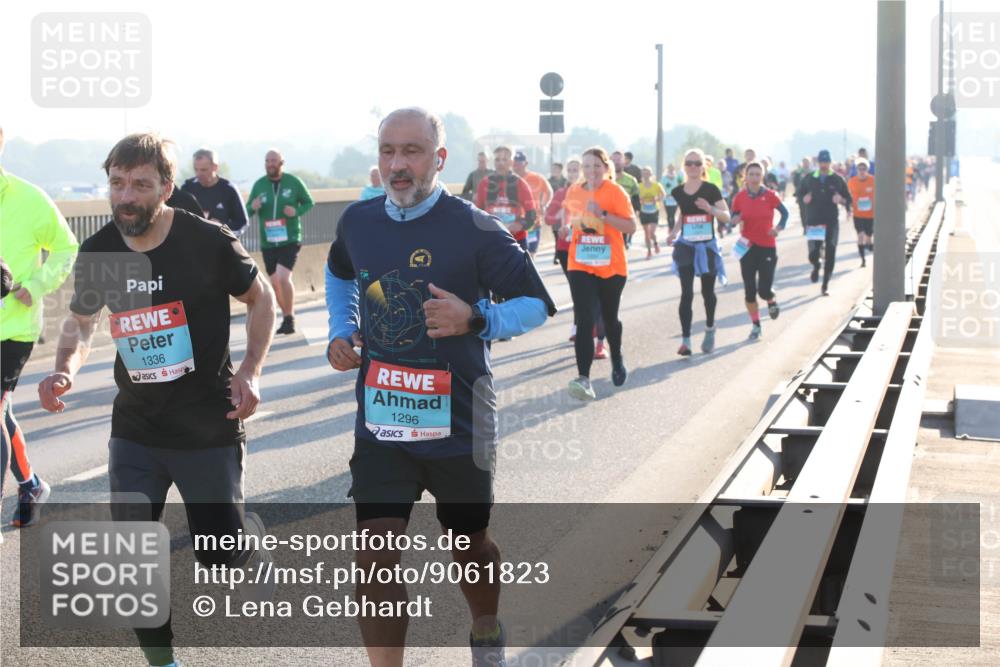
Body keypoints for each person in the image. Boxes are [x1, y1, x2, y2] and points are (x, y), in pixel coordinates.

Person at [325, 107, 556, 667]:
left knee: (469, 546)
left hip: (460, 423)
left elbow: (537, 304)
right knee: (374, 551)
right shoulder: (357, 222)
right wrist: (341, 327)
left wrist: (474, 318)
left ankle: (485, 630)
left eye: (412, 151)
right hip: (383, 421)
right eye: (388, 151)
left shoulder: (474, 227)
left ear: (439, 158)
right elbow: (338, 272)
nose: (397, 165)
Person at [38, 132, 277, 667]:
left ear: (166, 188)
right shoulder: (100, 249)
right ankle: (162, 661)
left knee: (221, 554)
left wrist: (251, 370)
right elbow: (82, 322)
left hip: (206, 424)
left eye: (140, 185)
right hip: (137, 428)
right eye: (117, 184)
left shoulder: (207, 242)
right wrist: (62, 370)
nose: (126, 196)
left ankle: (245, 538)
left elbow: (259, 297)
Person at [0, 125, 79, 528]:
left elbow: (67, 246)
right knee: (1, 413)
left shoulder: (29, 199)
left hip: (11, 329)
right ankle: (29, 484)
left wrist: (35, 284)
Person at [563, 147, 636, 401]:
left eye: (596, 165)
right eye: (587, 166)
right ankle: (584, 378)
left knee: (609, 318)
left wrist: (603, 214)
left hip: (611, 265)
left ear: (606, 167)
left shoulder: (615, 192)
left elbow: (630, 226)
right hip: (580, 262)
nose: (591, 171)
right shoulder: (574, 191)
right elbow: (574, 220)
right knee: (584, 319)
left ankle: (616, 357)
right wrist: (567, 229)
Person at [667, 148, 731, 356]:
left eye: (697, 163)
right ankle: (686, 340)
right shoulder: (677, 191)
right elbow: (682, 217)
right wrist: (673, 233)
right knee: (686, 293)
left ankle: (710, 329)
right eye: (689, 163)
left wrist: (710, 209)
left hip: (707, 246)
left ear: (704, 166)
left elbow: (726, 217)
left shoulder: (711, 189)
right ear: (684, 166)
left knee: (707, 292)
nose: (693, 167)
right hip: (686, 245)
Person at [246, 148, 315, 334]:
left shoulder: (293, 182)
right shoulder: (259, 185)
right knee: (275, 281)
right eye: (267, 160)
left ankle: (290, 317)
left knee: (283, 277)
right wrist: (252, 207)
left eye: (274, 160)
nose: (270, 164)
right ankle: (286, 317)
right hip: (268, 241)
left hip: (290, 238)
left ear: (281, 163)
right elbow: (248, 210)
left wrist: (296, 212)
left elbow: (309, 202)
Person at [546, 158, 607, 353]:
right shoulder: (561, 193)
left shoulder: (591, 192)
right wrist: (559, 219)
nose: (573, 173)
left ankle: (597, 337)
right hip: (566, 248)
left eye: (576, 170)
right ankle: (579, 327)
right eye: (570, 170)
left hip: (591, 246)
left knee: (595, 293)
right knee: (578, 291)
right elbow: (549, 217)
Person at [731, 161, 789, 340]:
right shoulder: (739, 197)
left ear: (762, 177)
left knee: (763, 290)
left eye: (758, 174)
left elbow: (785, 214)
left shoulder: (770, 195)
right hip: (746, 247)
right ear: (746, 177)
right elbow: (733, 217)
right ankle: (756, 325)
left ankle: (770, 300)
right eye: (751, 174)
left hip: (767, 246)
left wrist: (777, 228)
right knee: (749, 290)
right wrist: (735, 219)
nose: (755, 178)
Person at [796, 149, 852, 296]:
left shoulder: (837, 179)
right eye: (821, 162)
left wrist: (842, 200)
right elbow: (799, 192)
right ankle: (816, 265)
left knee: (831, 252)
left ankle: (825, 284)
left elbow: (848, 199)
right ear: (818, 162)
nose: (824, 165)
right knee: (813, 253)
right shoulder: (809, 178)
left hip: (831, 221)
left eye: (826, 162)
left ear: (830, 163)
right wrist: (804, 199)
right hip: (814, 221)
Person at [475, 146, 537, 252]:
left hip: (517, 240)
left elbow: (532, 216)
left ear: (512, 162)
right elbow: (477, 213)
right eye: (497, 160)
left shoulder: (521, 184)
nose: (501, 163)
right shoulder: (484, 183)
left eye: (505, 159)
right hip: (491, 240)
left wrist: (518, 225)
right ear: (493, 162)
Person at [181, 148, 249, 232]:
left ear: (215, 167)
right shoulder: (187, 187)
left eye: (203, 170)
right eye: (196, 169)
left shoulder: (229, 189)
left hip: (221, 243)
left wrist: (221, 227)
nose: (198, 174)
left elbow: (242, 223)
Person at [512, 151, 552, 258]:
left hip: (533, 222)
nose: (517, 165)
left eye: (520, 162)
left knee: (531, 255)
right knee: (517, 255)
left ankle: (529, 273)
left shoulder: (536, 178)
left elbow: (549, 191)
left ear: (526, 163)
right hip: (515, 224)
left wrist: (544, 205)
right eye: (515, 162)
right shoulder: (508, 179)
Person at [847, 158, 875, 266]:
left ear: (867, 170)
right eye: (860, 169)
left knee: (868, 237)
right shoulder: (852, 181)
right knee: (860, 236)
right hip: (858, 214)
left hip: (870, 214)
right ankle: (863, 260)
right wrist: (848, 208)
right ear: (857, 170)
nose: (862, 171)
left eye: (864, 169)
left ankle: (870, 245)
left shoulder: (873, 180)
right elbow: (848, 196)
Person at [611, 151, 640, 249]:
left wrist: (635, 214)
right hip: (607, 219)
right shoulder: (605, 180)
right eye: (613, 160)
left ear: (624, 161)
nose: (616, 162)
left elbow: (636, 199)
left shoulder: (631, 180)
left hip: (623, 219)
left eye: (618, 159)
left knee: (621, 247)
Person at [637, 166, 666, 259]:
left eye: (647, 172)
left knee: (651, 232)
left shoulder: (656, 185)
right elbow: (635, 197)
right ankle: (649, 251)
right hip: (643, 210)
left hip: (654, 210)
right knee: (646, 233)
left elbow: (663, 195)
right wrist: (639, 200)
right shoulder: (639, 186)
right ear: (642, 175)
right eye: (644, 173)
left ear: (651, 174)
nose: (646, 174)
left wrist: (657, 199)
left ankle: (656, 243)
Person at [792, 157, 812, 235]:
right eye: (804, 162)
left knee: (810, 212)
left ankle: (810, 226)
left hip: (810, 194)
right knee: (803, 212)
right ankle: (805, 227)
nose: (805, 163)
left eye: (807, 162)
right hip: (801, 195)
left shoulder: (812, 172)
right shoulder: (798, 172)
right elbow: (795, 182)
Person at [660, 164, 683, 234]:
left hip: (675, 198)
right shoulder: (664, 178)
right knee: (669, 215)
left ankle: (672, 228)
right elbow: (661, 188)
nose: (671, 170)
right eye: (669, 168)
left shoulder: (677, 177)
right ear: (667, 169)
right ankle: (671, 227)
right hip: (667, 198)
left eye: (672, 168)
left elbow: (681, 183)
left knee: (673, 214)